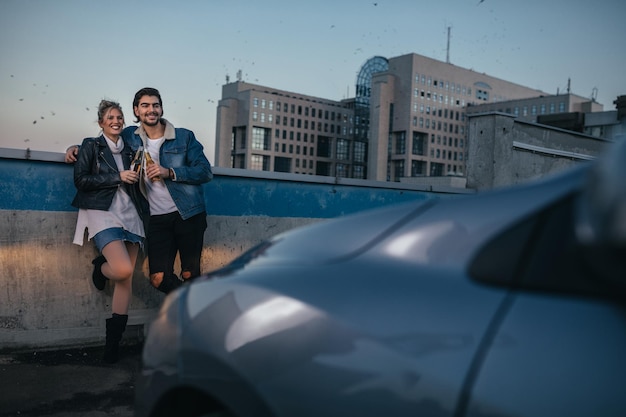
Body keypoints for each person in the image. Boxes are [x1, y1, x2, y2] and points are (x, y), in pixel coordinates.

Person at [66, 87, 213, 294]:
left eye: (155, 105)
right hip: (156, 219)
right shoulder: (130, 137)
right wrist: (76, 149)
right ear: (136, 111)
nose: (150, 110)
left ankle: (190, 313)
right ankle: (194, 301)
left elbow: (205, 172)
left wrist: (169, 172)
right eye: (145, 105)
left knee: (190, 274)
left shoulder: (184, 137)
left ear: (161, 109)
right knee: (158, 279)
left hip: (188, 214)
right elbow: (105, 142)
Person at [72, 100, 148, 364]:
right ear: (101, 122)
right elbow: (81, 180)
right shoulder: (91, 145)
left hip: (131, 214)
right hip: (102, 212)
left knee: (125, 280)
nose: (116, 121)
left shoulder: (130, 149)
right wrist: (118, 176)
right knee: (123, 269)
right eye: (110, 117)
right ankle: (100, 267)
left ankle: (112, 345)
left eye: (119, 117)